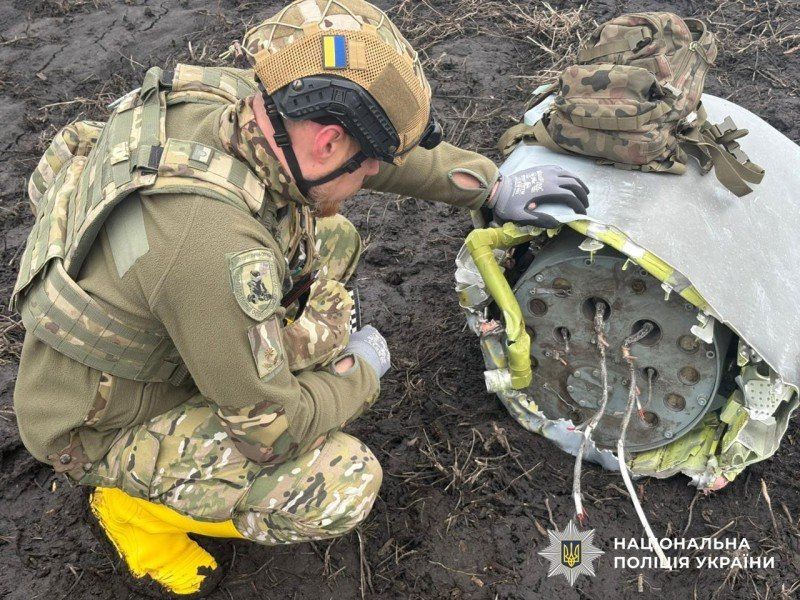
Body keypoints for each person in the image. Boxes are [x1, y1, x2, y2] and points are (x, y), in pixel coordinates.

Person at [11, 0, 589, 596]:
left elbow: (376, 158)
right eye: (367, 167)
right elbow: (271, 432)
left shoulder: (245, 101)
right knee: (341, 484)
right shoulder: (215, 250)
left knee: (333, 238)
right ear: (330, 142)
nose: (372, 177)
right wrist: (359, 372)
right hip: (100, 418)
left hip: (158, 307)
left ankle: (230, 365)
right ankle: (134, 509)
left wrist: (490, 186)